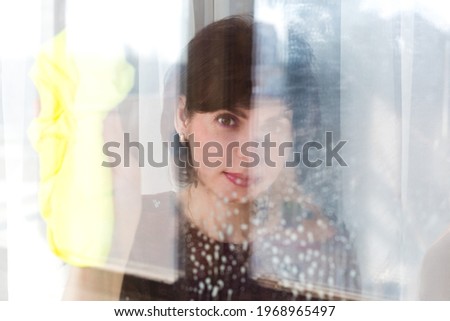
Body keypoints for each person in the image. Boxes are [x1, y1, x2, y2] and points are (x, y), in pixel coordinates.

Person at [66, 15, 360, 301]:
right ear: (183, 117)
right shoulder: (135, 223)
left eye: (272, 126)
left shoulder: (320, 240)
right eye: (228, 120)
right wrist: (113, 240)